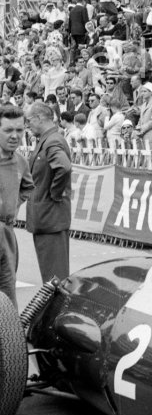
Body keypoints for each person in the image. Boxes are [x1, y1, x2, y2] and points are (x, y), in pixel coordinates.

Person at [26, 102, 72, 283]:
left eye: (29, 120)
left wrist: (55, 194)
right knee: (51, 277)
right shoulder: (48, 140)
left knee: (55, 279)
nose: (27, 125)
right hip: (47, 218)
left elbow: (63, 168)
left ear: (38, 118)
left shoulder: (52, 141)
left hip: (50, 218)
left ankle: (57, 312)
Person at [0, 105, 35, 304]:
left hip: (6, 234)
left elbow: (28, 187)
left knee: (7, 296)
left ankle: (8, 335)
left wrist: (12, 205)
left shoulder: (21, 162)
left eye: (19, 130)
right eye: (8, 130)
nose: (15, 136)